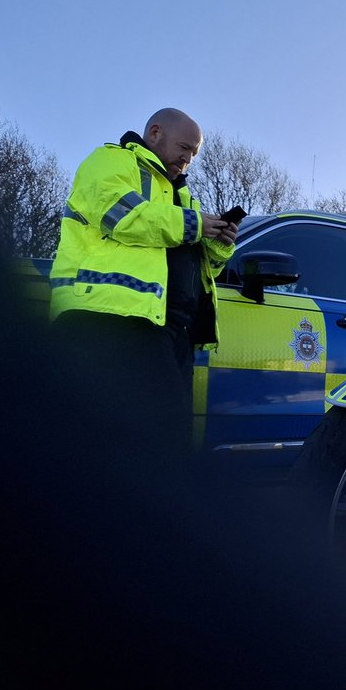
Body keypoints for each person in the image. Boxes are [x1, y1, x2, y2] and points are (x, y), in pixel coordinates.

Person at [48, 108, 237, 451]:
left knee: (167, 437)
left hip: (171, 331)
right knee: (154, 439)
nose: (188, 159)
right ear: (154, 133)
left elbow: (200, 267)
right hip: (112, 320)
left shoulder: (182, 197)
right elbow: (120, 216)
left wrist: (220, 244)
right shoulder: (111, 161)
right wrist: (192, 224)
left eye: (194, 154)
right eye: (184, 147)